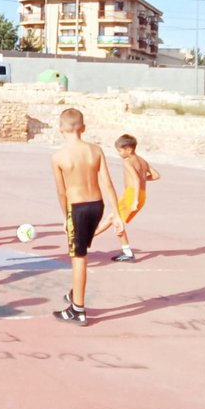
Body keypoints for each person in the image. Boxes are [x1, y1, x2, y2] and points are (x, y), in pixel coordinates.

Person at [49, 108, 124, 325]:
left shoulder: (58, 156)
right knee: (82, 248)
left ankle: (77, 310)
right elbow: (107, 183)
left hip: (78, 208)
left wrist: (66, 217)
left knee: (79, 257)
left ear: (60, 128)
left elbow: (61, 192)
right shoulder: (95, 150)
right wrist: (117, 215)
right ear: (83, 128)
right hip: (97, 206)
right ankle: (76, 292)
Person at [101, 134, 161, 263]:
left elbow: (136, 179)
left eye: (120, 151)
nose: (119, 154)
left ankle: (84, 240)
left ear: (129, 149)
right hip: (141, 194)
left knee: (114, 219)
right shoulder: (142, 161)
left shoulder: (127, 161)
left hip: (132, 195)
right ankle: (87, 239)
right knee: (112, 218)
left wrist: (135, 200)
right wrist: (142, 181)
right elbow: (156, 176)